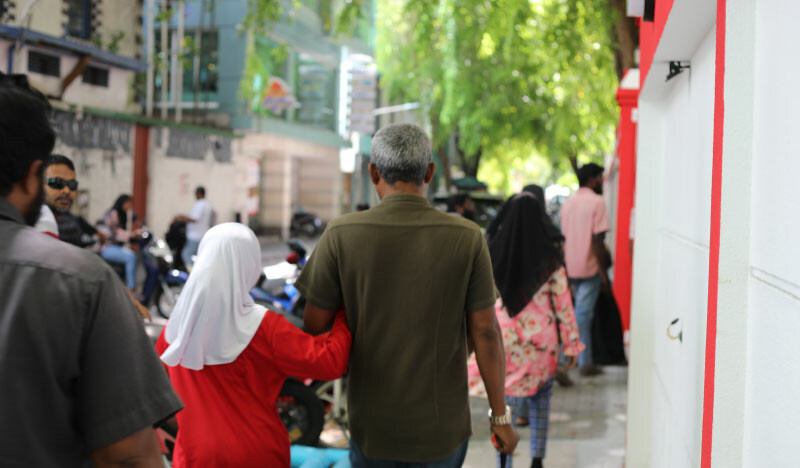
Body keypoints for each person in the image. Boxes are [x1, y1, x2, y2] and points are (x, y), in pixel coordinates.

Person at [295, 123, 519, 466]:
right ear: (429, 173)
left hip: (373, 428)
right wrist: (499, 417)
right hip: (442, 430)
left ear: (373, 173)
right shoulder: (467, 237)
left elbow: (314, 325)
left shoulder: (341, 234)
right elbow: (486, 332)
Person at [0, 72, 182, 467]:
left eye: (70, 185)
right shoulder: (82, 281)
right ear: (33, 176)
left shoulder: (80, 267)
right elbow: (128, 455)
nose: (65, 191)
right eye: (54, 182)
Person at [155, 222, 351, 467]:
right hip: (256, 451)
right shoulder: (263, 326)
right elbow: (329, 362)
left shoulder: (175, 329)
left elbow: (158, 391)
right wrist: (344, 312)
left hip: (195, 455)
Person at [467, 193, 583, 468]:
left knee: (502, 407)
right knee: (541, 402)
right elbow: (564, 305)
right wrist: (571, 345)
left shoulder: (491, 253)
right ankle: (537, 459)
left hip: (502, 341)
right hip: (540, 344)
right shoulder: (551, 259)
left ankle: (503, 460)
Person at [560, 163, 610, 377]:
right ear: (591, 179)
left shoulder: (568, 203)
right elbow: (598, 239)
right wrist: (604, 274)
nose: (602, 181)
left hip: (569, 267)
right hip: (590, 268)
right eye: (599, 177)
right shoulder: (597, 202)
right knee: (582, 316)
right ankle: (578, 362)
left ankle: (572, 360)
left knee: (573, 315)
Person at [42, 153, 107, 248]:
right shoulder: (34, 226)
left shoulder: (71, 219)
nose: (67, 191)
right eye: (57, 183)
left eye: (72, 184)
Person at [98, 194, 140, 291]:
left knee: (132, 255)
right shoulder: (113, 213)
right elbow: (114, 232)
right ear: (122, 202)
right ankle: (131, 289)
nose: (129, 207)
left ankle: (125, 285)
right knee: (131, 257)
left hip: (114, 247)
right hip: (106, 247)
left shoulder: (122, 214)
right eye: (128, 203)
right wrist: (130, 234)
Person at [173, 186, 212, 269]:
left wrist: (181, 218)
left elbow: (195, 218)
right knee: (197, 256)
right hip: (201, 234)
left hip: (195, 236)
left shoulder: (201, 204)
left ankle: (192, 272)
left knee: (186, 255)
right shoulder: (207, 204)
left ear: (199, 194)